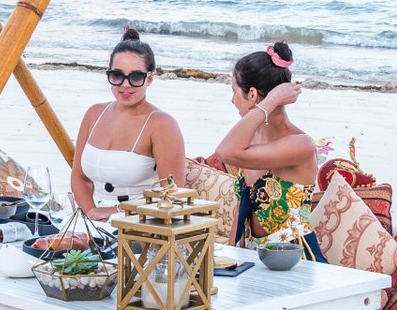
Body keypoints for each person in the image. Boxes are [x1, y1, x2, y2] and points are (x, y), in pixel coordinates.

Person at [207, 40, 324, 259]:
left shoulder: (300, 144)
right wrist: (231, 260)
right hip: (255, 259)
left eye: (234, 91)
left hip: (295, 261)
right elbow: (241, 209)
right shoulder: (252, 138)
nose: (232, 100)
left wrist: (268, 103)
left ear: (252, 95)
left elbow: (226, 152)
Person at [70, 27, 186, 220]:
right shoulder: (94, 114)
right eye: (117, 75)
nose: (125, 85)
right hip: (91, 220)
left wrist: (113, 213)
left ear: (149, 78)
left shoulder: (162, 124)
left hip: (142, 225)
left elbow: (173, 197)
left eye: (135, 77)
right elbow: (79, 178)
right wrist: (91, 214)